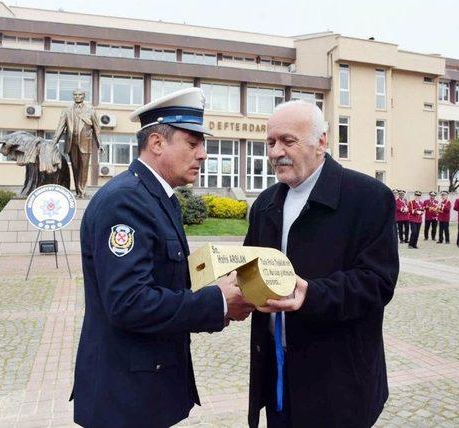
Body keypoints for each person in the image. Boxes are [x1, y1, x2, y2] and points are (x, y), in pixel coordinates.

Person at [71, 88, 254, 428]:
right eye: (192, 142)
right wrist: (218, 303)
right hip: (125, 397)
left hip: (145, 388)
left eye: (203, 144)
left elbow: (162, 278)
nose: (203, 154)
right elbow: (129, 302)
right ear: (157, 143)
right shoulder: (125, 202)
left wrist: (214, 282)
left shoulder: (158, 197)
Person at [244, 100, 398, 428]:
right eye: (270, 143)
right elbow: (249, 267)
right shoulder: (265, 203)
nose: (275, 152)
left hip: (337, 378)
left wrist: (311, 294)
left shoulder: (368, 197)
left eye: (288, 141)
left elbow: (377, 282)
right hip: (276, 369)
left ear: (322, 142)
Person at [52, 89, 102, 198]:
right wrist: (54, 142)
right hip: (71, 143)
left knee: (84, 168)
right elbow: (60, 127)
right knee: (75, 168)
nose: (77, 97)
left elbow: (97, 129)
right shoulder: (66, 110)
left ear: (83, 96)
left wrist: (100, 144)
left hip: (85, 143)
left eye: (79, 95)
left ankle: (82, 191)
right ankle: (78, 191)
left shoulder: (90, 110)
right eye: (75, 95)